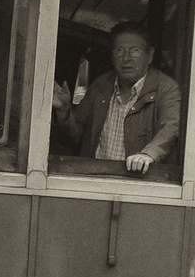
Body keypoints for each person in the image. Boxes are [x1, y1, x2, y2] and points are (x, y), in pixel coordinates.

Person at [53, 23, 182, 175]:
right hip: (94, 180)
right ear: (112, 56)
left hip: (140, 183)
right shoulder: (100, 85)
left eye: (135, 50)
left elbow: (171, 128)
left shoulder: (166, 88)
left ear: (150, 55)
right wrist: (64, 111)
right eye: (119, 50)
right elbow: (76, 137)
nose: (126, 58)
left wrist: (148, 155)